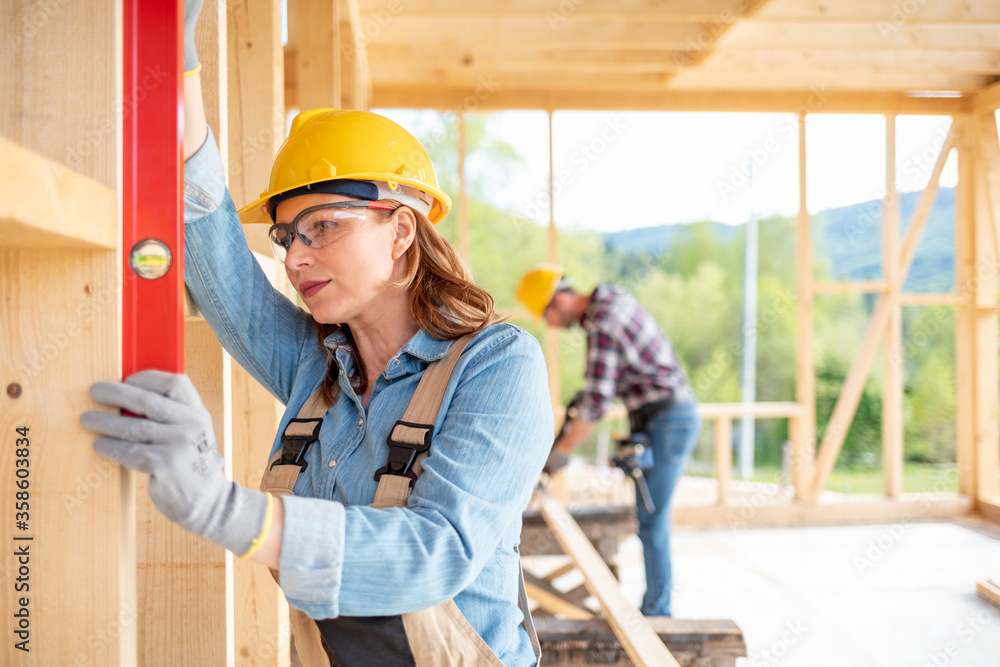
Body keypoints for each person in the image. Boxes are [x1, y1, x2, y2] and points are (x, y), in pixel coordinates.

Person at [80, 3, 552, 665]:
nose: (295, 256)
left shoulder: (499, 364)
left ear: (401, 230)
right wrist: (176, 63)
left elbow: (435, 552)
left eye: (324, 225)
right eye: (286, 236)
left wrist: (226, 509)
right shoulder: (316, 370)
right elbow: (216, 252)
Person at [515, 264, 701, 618]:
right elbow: (598, 389)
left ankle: (659, 614)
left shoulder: (603, 324)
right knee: (650, 519)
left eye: (548, 315)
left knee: (653, 520)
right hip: (661, 418)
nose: (552, 325)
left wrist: (562, 454)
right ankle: (656, 607)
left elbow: (596, 405)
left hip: (668, 419)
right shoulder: (611, 299)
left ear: (560, 300)